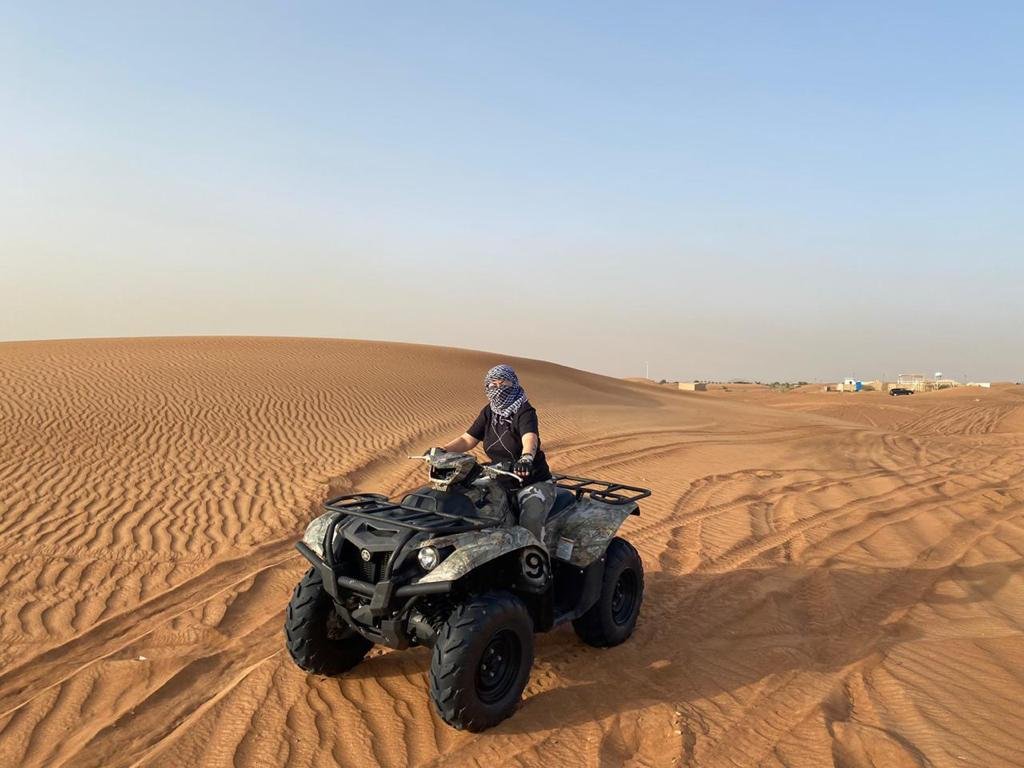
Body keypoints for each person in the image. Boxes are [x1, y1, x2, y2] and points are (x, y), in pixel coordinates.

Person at [436, 364, 555, 540]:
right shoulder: (489, 412)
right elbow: (468, 439)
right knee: (470, 506)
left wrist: (526, 457)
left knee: (530, 520)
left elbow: (529, 437)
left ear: (513, 384)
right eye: (493, 385)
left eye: (504, 383)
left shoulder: (524, 411)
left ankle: (535, 561)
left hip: (531, 481)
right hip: (498, 479)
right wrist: (442, 450)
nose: (498, 389)